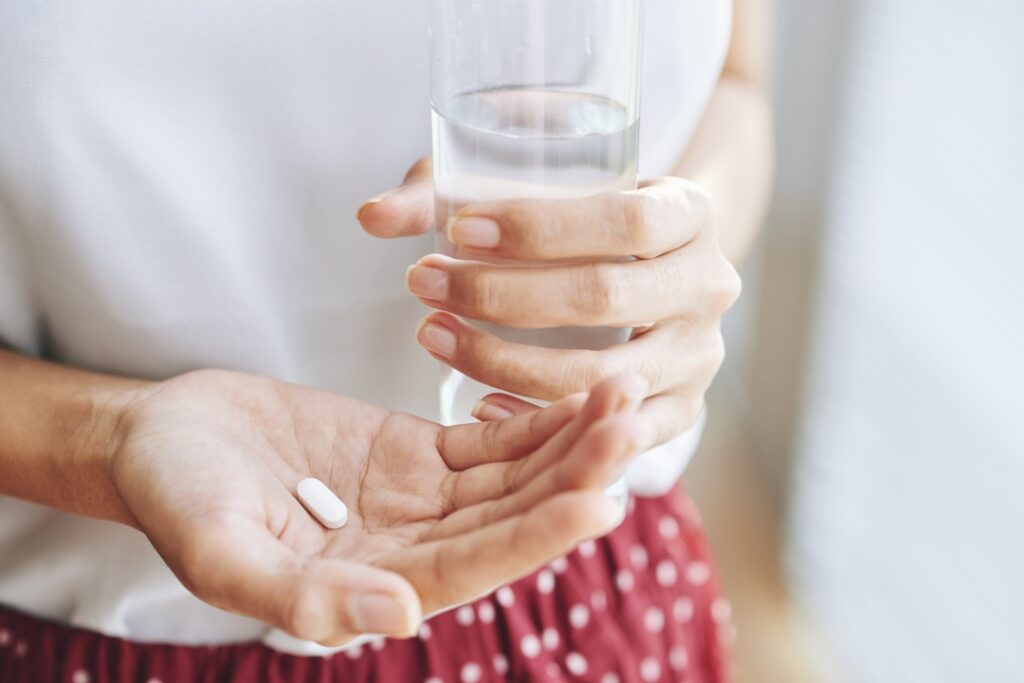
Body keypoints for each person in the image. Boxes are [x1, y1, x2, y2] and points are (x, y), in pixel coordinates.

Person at [0, 0, 772, 680]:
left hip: (590, 584)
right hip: (106, 639)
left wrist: (672, 258)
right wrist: (106, 434)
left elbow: (739, 85)